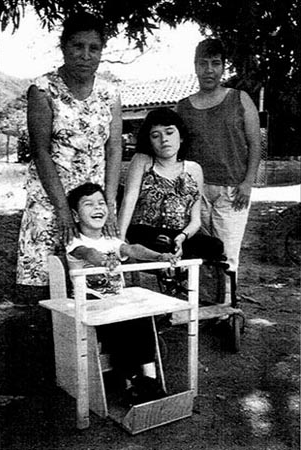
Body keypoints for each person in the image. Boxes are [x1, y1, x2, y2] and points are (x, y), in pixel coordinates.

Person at [16, 12, 123, 304]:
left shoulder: (110, 93)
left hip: (91, 203)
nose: (85, 55)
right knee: (46, 281)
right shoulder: (42, 90)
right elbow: (40, 151)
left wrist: (109, 204)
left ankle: (91, 346)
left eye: (94, 48)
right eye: (77, 46)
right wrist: (63, 210)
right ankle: (50, 345)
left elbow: (114, 149)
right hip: (51, 200)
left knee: (97, 275)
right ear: (63, 47)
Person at [66, 182, 175, 404]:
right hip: (91, 306)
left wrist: (159, 257)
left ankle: (151, 380)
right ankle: (130, 381)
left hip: (116, 304)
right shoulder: (75, 241)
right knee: (121, 321)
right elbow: (88, 253)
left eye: (101, 203)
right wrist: (104, 260)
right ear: (76, 215)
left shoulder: (112, 241)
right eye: (89, 204)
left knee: (143, 317)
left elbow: (132, 249)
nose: (97, 208)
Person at [177, 38, 261, 303]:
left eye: (215, 63)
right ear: (195, 67)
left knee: (227, 253)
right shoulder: (184, 107)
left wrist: (248, 182)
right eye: (203, 64)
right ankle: (203, 307)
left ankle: (227, 308)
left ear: (223, 67)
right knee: (199, 253)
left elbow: (255, 143)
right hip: (195, 193)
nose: (209, 70)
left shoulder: (240, 99)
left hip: (232, 191)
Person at [118, 107, 224, 266]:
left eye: (169, 132)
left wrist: (181, 238)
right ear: (149, 141)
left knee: (215, 246)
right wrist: (119, 241)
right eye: (156, 135)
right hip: (145, 233)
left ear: (181, 137)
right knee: (161, 244)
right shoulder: (142, 161)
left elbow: (196, 221)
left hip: (178, 234)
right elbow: (128, 201)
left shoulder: (194, 169)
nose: (164, 139)